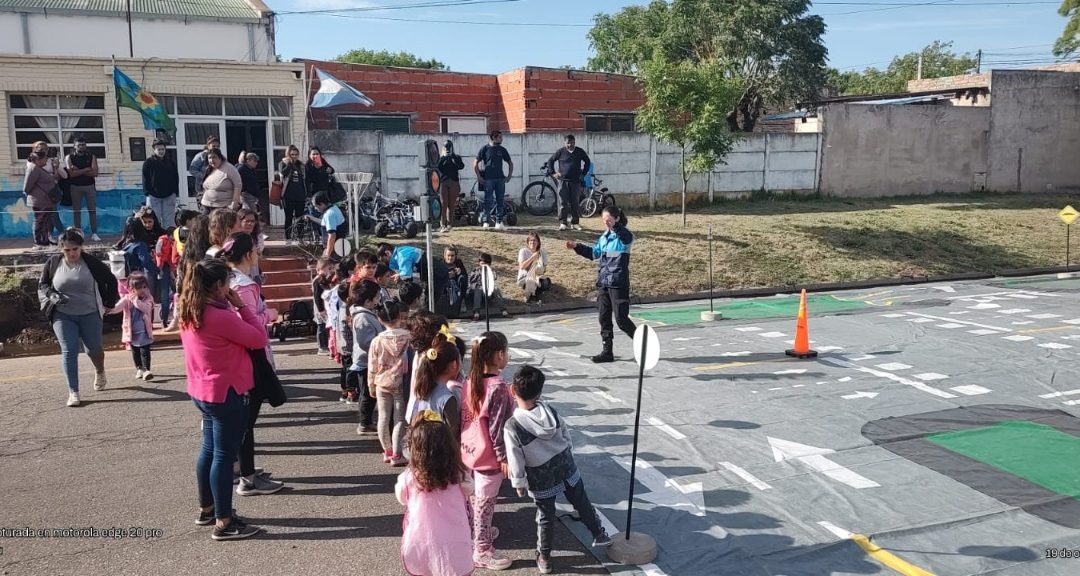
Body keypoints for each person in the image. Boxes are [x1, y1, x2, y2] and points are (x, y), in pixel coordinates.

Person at [178, 258, 266, 540]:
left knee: (209, 450)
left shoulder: (190, 310)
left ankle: (208, 508)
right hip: (226, 392)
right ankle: (224, 522)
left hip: (203, 391)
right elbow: (258, 338)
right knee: (224, 457)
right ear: (218, 286)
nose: (231, 288)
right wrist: (241, 307)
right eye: (228, 283)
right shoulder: (220, 316)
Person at [504, 365, 612, 574]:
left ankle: (544, 557)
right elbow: (565, 432)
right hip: (566, 466)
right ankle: (599, 534)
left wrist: (519, 482)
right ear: (539, 393)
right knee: (581, 502)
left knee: (546, 516)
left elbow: (515, 457)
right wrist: (567, 450)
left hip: (541, 476)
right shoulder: (550, 411)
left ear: (512, 390)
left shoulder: (513, 426)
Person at [221, 232, 285, 498]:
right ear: (248, 254)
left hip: (241, 357)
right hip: (251, 357)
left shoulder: (230, 280)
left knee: (244, 421)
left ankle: (242, 467)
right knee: (246, 422)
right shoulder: (244, 285)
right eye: (256, 250)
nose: (258, 254)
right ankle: (247, 478)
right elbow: (249, 324)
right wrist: (269, 314)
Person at [38, 228, 119, 406]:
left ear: (81, 247)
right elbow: (43, 284)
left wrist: (109, 303)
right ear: (61, 249)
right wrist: (51, 294)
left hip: (90, 312)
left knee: (94, 350)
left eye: (75, 249)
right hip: (62, 314)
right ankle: (73, 391)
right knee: (69, 350)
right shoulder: (54, 262)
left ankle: (100, 370)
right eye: (67, 250)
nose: (72, 253)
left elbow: (111, 280)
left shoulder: (91, 263)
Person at [460, 331, 515, 571]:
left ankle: (478, 531)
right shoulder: (498, 387)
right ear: (499, 354)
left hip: (469, 449)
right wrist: (504, 457)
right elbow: (497, 428)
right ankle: (482, 549)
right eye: (507, 351)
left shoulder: (470, 380)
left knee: (475, 498)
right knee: (485, 502)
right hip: (489, 456)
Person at [396, 411, 474, 576]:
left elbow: (402, 498)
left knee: (423, 569)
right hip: (455, 538)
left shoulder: (410, 476)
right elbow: (470, 489)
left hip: (422, 539)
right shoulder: (459, 474)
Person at [565, 205, 635, 363]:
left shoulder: (624, 235)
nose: (606, 223)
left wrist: (616, 226)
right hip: (604, 282)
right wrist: (577, 247)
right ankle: (607, 352)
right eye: (604, 220)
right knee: (604, 318)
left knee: (622, 320)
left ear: (617, 218)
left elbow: (626, 238)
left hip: (618, 282)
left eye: (608, 220)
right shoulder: (604, 237)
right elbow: (593, 253)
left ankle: (643, 343)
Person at [368, 300, 412, 466]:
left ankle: (387, 451)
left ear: (380, 319)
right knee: (399, 419)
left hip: (381, 382)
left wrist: (371, 385)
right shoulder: (408, 337)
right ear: (399, 316)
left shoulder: (377, 341)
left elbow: (372, 366)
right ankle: (397, 453)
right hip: (401, 381)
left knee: (383, 417)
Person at [405, 339, 462, 438]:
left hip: (421, 441)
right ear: (453, 365)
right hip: (440, 445)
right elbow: (453, 432)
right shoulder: (447, 398)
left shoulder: (422, 388)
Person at [349, 279, 384, 433]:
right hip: (365, 361)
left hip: (368, 359)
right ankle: (364, 422)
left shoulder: (366, 314)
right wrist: (380, 344)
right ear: (368, 301)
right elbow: (365, 342)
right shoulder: (362, 317)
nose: (378, 300)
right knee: (367, 393)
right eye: (376, 297)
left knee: (369, 393)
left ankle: (367, 420)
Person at [105, 272, 155, 381]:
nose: (143, 290)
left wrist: (135, 300)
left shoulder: (148, 298)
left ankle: (147, 370)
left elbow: (146, 309)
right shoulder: (127, 299)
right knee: (135, 351)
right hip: (132, 332)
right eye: (139, 288)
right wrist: (109, 310)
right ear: (132, 289)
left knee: (145, 351)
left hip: (144, 331)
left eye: (144, 287)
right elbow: (117, 307)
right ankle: (139, 368)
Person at [25, 141, 68, 243]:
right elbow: (28, 185)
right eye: (39, 149)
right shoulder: (32, 165)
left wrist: (56, 166)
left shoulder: (50, 161)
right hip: (40, 196)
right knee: (48, 217)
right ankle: (64, 235)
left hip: (51, 193)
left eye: (45, 149)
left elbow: (64, 176)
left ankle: (48, 236)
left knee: (49, 217)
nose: (43, 150)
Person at [548, 135, 591, 231]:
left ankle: (575, 223)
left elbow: (587, 162)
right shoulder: (561, 152)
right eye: (568, 143)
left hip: (575, 181)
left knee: (575, 202)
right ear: (565, 143)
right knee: (563, 202)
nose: (570, 145)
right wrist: (553, 173)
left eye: (572, 143)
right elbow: (550, 161)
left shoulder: (579, 151)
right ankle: (563, 223)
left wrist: (583, 174)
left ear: (574, 142)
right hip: (563, 181)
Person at [473, 130, 513, 230]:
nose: (501, 139)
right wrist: (479, 176)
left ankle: (499, 222)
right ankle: (486, 221)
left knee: (500, 200)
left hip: (500, 179)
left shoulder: (502, 150)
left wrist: (509, 175)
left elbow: (510, 162)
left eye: (501, 137)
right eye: (499, 137)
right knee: (488, 200)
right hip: (488, 179)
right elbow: (475, 162)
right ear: (493, 138)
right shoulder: (485, 149)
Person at [65, 136, 101, 239]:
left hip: (89, 186)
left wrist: (78, 170)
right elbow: (72, 174)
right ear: (74, 146)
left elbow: (95, 173)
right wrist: (86, 169)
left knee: (92, 210)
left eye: (83, 144)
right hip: (75, 187)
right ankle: (78, 233)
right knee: (76, 211)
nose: (81, 146)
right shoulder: (69, 157)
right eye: (79, 145)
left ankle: (94, 233)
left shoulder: (91, 156)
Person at [143, 139, 180, 234]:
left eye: (163, 149)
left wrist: (175, 192)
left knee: (169, 220)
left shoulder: (171, 163)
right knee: (154, 219)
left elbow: (175, 177)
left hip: (169, 195)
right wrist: (147, 193)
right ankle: (155, 237)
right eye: (158, 149)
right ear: (154, 150)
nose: (161, 151)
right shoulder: (148, 163)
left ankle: (169, 237)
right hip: (154, 196)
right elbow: (145, 179)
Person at [23, 152, 58, 249]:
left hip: (46, 200)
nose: (47, 160)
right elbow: (26, 187)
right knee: (40, 220)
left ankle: (45, 240)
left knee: (45, 221)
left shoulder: (39, 168)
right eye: (45, 158)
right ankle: (39, 241)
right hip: (39, 201)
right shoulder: (33, 168)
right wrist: (35, 195)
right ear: (38, 159)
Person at [277, 145, 307, 243]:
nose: (294, 156)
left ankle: (300, 237)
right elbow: (283, 173)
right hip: (288, 195)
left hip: (300, 195)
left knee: (300, 217)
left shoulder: (301, 165)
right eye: (292, 154)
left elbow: (305, 179)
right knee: (288, 217)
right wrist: (289, 163)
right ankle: (288, 237)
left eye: (296, 154)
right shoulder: (283, 163)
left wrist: (307, 194)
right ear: (288, 154)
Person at [200, 149, 243, 215]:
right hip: (206, 205)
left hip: (223, 207)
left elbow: (238, 185)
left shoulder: (229, 168)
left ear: (220, 158)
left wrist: (235, 202)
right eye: (209, 158)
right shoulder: (209, 169)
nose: (212, 160)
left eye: (214, 157)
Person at [469, 253, 508, 322]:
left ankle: (504, 311)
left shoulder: (491, 271)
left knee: (496, 289)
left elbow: (494, 279)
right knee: (478, 289)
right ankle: (476, 314)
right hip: (478, 293)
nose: (484, 266)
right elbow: (471, 282)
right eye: (482, 264)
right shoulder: (476, 271)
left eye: (486, 264)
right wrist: (478, 274)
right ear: (479, 263)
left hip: (488, 292)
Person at [436, 140, 465, 233]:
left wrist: (453, 156)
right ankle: (442, 224)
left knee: (451, 204)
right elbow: (437, 167)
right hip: (443, 182)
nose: (447, 149)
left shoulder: (456, 157)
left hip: (454, 182)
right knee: (443, 203)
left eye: (449, 147)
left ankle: (450, 224)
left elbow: (461, 166)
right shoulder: (440, 158)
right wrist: (443, 157)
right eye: (446, 148)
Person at [517, 232, 550, 303]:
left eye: (534, 240)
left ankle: (535, 293)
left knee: (544, 283)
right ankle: (531, 295)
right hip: (525, 275)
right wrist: (533, 257)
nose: (532, 242)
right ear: (528, 242)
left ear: (538, 242)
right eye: (530, 240)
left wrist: (537, 270)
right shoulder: (523, 251)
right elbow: (522, 266)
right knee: (530, 281)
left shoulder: (542, 252)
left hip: (538, 275)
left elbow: (544, 269)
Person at [313, 192, 347, 260]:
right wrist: (311, 218)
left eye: (316, 206)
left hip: (334, 250)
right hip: (339, 247)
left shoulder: (329, 214)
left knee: (328, 266)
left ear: (322, 204)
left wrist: (327, 254)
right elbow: (325, 223)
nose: (315, 208)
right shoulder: (334, 208)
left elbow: (332, 236)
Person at [189, 135, 220, 203]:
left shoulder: (220, 157)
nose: (216, 148)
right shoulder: (201, 156)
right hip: (203, 190)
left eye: (218, 146)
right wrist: (204, 175)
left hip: (217, 190)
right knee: (204, 209)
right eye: (213, 146)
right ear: (208, 146)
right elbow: (192, 169)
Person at [312, 257, 333, 355]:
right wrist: (321, 309)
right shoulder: (317, 281)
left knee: (325, 326)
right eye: (326, 269)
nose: (328, 271)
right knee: (321, 327)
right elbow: (317, 296)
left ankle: (326, 345)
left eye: (329, 269)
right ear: (318, 269)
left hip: (325, 306)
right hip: (320, 307)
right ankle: (322, 347)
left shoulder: (325, 279)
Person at [445, 246, 468, 318]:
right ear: (445, 256)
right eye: (448, 255)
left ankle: (462, 300)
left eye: (452, 256)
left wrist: (460, 272)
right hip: (445, 284)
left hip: (457, 284)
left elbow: (465, 275)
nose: (450, 258)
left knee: (463, 278)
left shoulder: (458, 263)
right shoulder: (441, 263)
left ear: (455, 256)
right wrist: (446, 275)